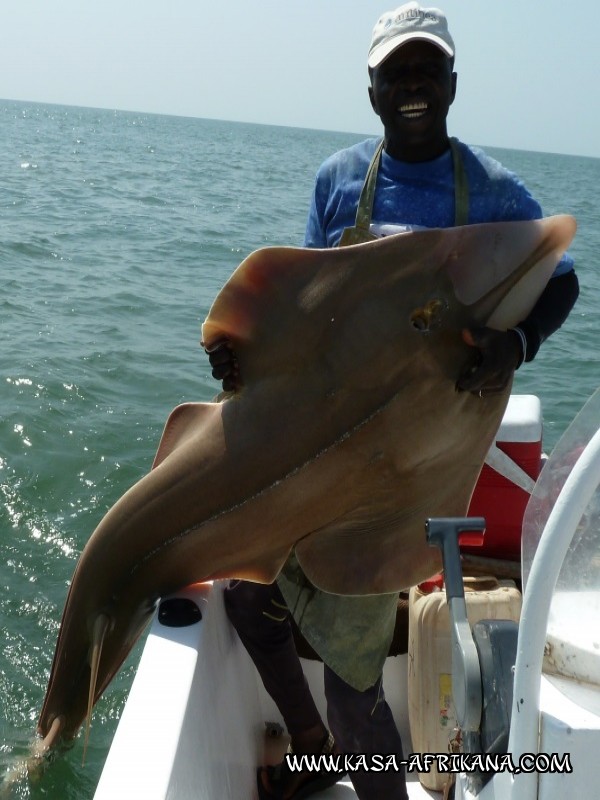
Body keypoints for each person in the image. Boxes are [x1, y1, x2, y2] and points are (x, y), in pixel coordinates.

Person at [206, 4, 579, 798]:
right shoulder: (339, 181)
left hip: (408, 465)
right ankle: (310, 749)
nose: (412, 86)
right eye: (396, 72)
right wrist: (248, 358)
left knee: (354, 675)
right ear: (372, 90)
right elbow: (306, 309)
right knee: (246, 594)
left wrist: (517, 345)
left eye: (426, 69)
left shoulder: (490, 190)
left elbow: (563, 274)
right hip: (326, 438)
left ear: (452, 84)